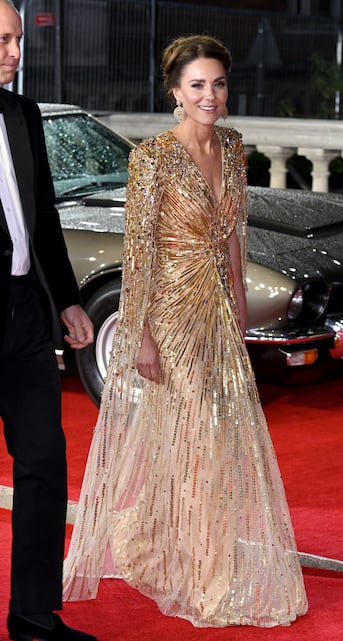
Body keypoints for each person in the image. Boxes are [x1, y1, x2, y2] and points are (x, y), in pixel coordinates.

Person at [63, 34, 308, 627]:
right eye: (197, 84)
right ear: (175, 91)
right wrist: (140, 334)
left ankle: (172, 536)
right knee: (199, 431)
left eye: (218, 83)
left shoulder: (232, 146)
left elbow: (233, 232)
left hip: (220, 311)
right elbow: (140, 251)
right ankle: (203, 574)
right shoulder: (151, 158)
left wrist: (241, 304)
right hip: (170, 313)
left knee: (216, 435)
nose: (210, 95)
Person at [0, 1, 98, 639]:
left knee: (43, 462)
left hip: (25, 314)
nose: (15, 51)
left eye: (15, 39)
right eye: (3, 40)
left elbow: (43, 216)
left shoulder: (23, 112)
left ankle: (34, 618)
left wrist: (65, 298)